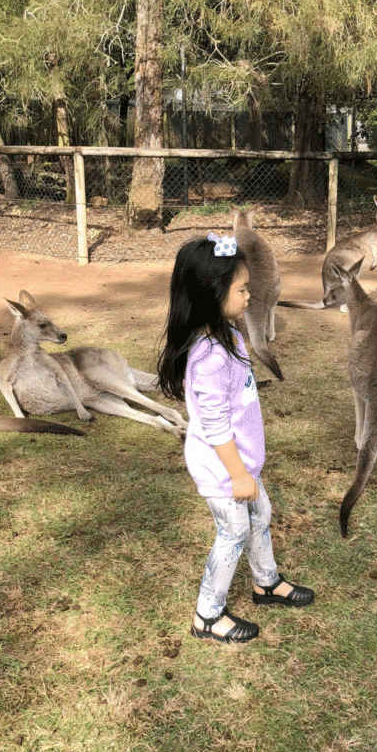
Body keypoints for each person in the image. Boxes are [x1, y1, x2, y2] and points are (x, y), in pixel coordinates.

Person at [157, 232, 314, 643]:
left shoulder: (228, 335)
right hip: (224, 466)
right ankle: (207, 614)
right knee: (234, 532)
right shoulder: (208, 355)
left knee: (261, 516)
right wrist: (238, 475)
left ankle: (266, 582)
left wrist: (247, 469)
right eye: (242, 289)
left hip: (242, 462)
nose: (249, 295)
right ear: (212, 294)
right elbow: (214, 426)